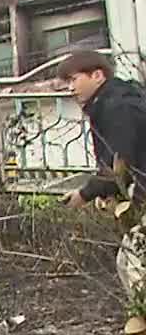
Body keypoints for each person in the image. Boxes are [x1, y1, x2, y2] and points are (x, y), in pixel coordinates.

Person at [55, 48, 146, 302]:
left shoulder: (118, 106)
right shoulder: (114, 101)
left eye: (74, 79)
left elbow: (121, 162)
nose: (70, 88)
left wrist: (85, 194)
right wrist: (106, 191)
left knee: (133, 264)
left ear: (97, 75)